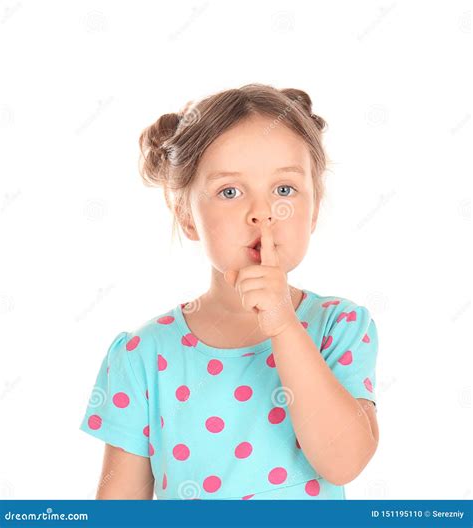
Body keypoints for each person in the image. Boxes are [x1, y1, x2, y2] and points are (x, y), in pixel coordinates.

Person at [79, 83, 379, 500]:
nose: (261, 212)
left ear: (314, 206)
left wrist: (283, 326)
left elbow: (344, 461)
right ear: (186, 214)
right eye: (230, 192)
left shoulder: (338, 326)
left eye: (285, 189)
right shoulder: (142, 356)